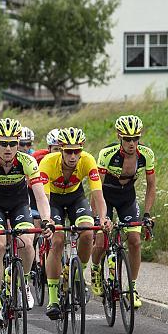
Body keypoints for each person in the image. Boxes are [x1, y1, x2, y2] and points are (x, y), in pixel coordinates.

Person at [0, 118, 53, 325]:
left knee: (26, 243)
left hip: (18, 204)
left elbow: (41, 196)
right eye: (3, 143)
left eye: (12, 143)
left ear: (18, 143)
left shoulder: (27, 161)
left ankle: (24, 283)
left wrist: (46, 220)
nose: (8, 148)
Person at [39, 127, 111, 319]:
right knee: (57, 240)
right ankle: (53, 299)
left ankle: (79, 278)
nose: (73, 156)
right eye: (68, 151)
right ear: (60, 149)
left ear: (82, 150)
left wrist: (103, 218)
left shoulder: (87, 160)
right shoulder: (47, 162)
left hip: (75, 199)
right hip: (53, 200)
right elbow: (44, 197)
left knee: (88, 233)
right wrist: (47, 221)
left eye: (76, 151)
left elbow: (98, 193)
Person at [90, 115, 156, 308]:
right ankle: (95, 270)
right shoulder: (107, 154)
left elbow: (152, 186)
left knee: (135, 241)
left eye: (135, 138)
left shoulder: (146, 155)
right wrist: (97, 217)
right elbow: (96, 188)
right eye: (127, 139)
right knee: (101, 241)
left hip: (127, 197)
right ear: (119, 136)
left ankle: (132, 288)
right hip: (106, 197)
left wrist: (147, 215)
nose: (132, 143)